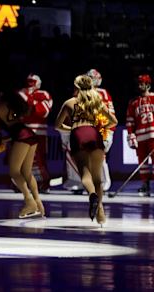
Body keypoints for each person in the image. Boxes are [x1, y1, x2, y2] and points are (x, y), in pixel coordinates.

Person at [55, 75, 117, 225]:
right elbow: (113, 121)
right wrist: (99, 127)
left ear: (76, 87)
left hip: (78, 135)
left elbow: (57, 125)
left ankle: (92, 195)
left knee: (85, 174)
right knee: (98, 178)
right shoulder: (96, 102)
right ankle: (100, 212)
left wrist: (73, 128)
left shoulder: (69, 103)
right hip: (94, 134)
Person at [0, 91, 45, 219]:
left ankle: (29, 201)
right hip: (30, 134)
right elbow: (16, 129)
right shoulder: (14, 106)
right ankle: (38, 203)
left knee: (14, 172)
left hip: (21, 137)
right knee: (27, 172)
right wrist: (3, 140)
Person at [18, 74, 53, 193]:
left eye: (33, 82)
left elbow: (44, 111)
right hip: (22, 131)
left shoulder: (43, 94)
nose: (30, 84)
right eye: (29, 81)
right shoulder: (20, 94)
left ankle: (42, 183)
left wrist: (29, 99)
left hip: (38, 132)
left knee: (38, 159)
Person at [126, 74, 154, 196]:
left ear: (148, 84)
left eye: (142, 83)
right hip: (141, 137)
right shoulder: (133, 102)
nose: (139, 85)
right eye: (139, 83)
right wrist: (131, 135)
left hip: (153, 135)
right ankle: (145, 184)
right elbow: (130, 121)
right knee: (142, 163)